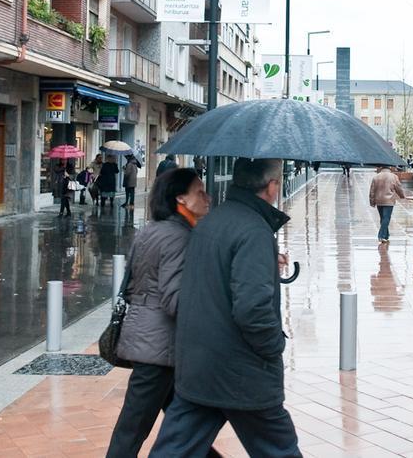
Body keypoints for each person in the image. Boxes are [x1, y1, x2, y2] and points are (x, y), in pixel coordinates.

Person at [151, 159, 301, 457]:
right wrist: (273, 346)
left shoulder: (210, 222)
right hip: (242, 370)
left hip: (199, 364)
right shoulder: (254, 231)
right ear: (271, 187)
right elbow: (253, 309)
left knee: (174, 449)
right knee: (279, 448)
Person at [106, 168, 216, 458]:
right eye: (200, 192)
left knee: (191, 424)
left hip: (150, 342)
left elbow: (131, 285)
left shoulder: (151, 230)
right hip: (159, 348)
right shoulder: (180, 237)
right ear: (181, 198)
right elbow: (175, 299)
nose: (208, 197)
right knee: (132, 430)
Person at [369, 166, 408, 244]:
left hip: (379, 200)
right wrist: (402, 195)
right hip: (389, 201)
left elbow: (372, 191)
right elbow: (398, 188)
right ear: (390, 168)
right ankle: (381, 235)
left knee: (383, 218)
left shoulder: (376, 177)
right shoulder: (394, 177)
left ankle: (386, 235)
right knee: (386, 218)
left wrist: (372, 201)